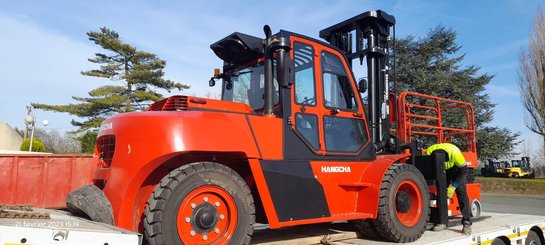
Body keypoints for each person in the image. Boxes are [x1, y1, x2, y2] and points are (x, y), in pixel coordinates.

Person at [425, 142, 472, 235]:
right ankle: (442, 221)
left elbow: (464, 171)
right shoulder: (428, 153)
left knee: (461, 191)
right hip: (442, 170)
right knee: (441, 192)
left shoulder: (455, 153)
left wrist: (453, 186)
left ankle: (466, 223)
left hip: (457, 170)